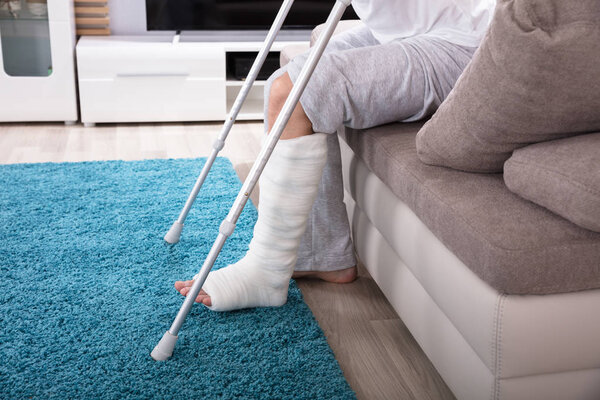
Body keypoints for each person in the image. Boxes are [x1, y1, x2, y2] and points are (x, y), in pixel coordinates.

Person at [175, 0, 496, 311]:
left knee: (296, 92)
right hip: (408, 30)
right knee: (280, 85)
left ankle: (267, 269)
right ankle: (321, 257)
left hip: (465, 43)